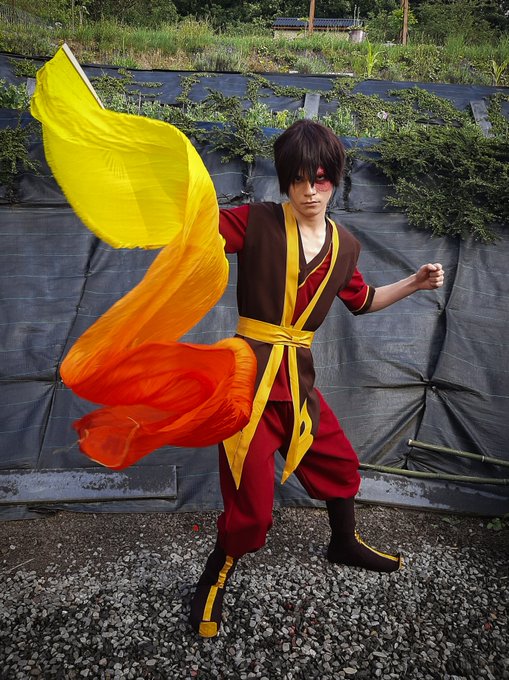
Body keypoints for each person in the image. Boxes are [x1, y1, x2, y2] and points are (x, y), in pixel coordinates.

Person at [189, 119, 445, 638]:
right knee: (251, 510)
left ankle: (343, 543)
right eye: (299, 179)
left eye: (320, 179)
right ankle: (213, 576)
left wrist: (414, 283)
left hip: (298, 384)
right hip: (248, 386)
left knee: (340, 463)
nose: (309, 191)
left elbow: (363, 300)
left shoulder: (344, 245)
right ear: (285, 180)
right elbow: (195, 230)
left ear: (334, 181)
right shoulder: (255, 222)